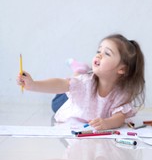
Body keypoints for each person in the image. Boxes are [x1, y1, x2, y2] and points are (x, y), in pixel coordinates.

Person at [17, 34, 145, 130]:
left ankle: (80, 70)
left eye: (107, 53)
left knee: (76, 83)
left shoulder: (121, 93)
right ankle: (78, 72)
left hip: (87, 104)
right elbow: (61, 84)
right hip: (74, 102)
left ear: (121, 69)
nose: (99, 55)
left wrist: (107, 123)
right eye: (98, 51)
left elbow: (120, 117)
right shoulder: (85, 83)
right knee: (56, 104)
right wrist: (33, 84)